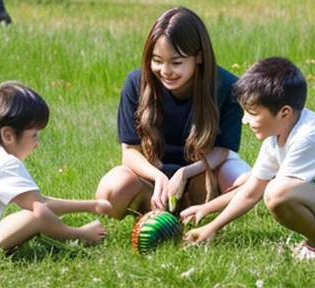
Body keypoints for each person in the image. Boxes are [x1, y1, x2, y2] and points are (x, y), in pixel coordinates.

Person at [181, 57, 315, 260]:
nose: (245, 121)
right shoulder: (277, 137)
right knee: (276, 188)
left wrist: (212, 226)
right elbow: (252, 189)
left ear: (284, 113)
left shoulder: (308, 137)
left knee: (278, 192)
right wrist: (208, 212)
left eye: (253, 113)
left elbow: (270, 191)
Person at [95, 6, 251, 220]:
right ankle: (153, 211)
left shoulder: (226, 86)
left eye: (176, 62)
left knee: (248, 182)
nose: (166, 71)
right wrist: (158, 176)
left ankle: (200, 213)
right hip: (151, 178)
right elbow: (129, 151)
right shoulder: (136, 83)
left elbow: (223, 151)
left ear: (199, 57)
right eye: (157, 61)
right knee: (110, 191)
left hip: (202, 175)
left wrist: (184, 173)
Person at [0, 81, 111, 265]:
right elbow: (40, 210)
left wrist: (93, 205)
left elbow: (40, 202)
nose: (37, 143)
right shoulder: (4, 163)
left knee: (31, 213)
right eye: (34, 135)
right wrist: (80, 233)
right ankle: (80, 237)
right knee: (33, 216)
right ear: (8, 135)